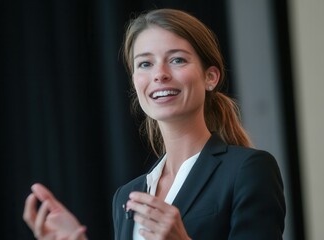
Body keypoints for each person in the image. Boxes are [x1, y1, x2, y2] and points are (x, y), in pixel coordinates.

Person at [23, 8, 286, 240]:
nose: (159, 74)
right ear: (135, 81)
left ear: (211, 77)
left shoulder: (248, 170)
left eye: (177, 60)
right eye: (145, 64)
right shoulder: (128, 195)